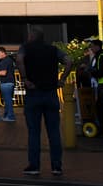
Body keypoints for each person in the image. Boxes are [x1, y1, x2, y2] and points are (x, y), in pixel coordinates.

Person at [17, 28, 68, 176]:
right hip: (51, 93)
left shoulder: (25, 48)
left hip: (34, 93)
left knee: (34, 132)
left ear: (31, 36)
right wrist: (62, 79)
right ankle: (56, 166)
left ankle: (34, 166)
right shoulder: (53, 49)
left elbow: (19, 60)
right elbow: (69, 61)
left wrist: (25, 78)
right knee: (54, 132)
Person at [0, 47, 17, 121]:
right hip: (9, 83)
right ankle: (7, 115)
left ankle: (10, 116)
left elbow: (3, 73)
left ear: (3, 53)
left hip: (6, 83)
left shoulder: (5, 61)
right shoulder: (8, 60)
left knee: (8, 101)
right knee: (7, 101)